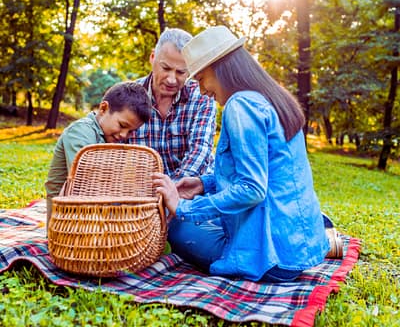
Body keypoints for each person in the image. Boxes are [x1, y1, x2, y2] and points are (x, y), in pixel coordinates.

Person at [152, 25, 331, 282]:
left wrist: (183, 208)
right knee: (209, 219)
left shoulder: (240, 106)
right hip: (295, 250)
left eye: (201, 78)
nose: (202, 91)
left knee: (178, 228)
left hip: (271, 260)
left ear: (220, 68)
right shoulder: (270, 98)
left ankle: (238, 253)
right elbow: (257, 170)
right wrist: (204, 183)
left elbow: (252, 188)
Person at [45, 81, 152, 227]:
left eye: (131, 131)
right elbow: (88, 180)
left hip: (96, 216)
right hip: (67, 222)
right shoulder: (80, 132)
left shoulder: (110, 137)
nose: (124, 135)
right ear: (103, 108)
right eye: (122, 125)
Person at [128, 28, 217, 180]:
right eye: (166, 68)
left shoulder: (202, 98)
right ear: (152, 57)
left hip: (192, 190)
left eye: (181, 72)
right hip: (143, 193)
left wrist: (172, 191)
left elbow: (200, 150)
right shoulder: (129, 96)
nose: (171, 79)